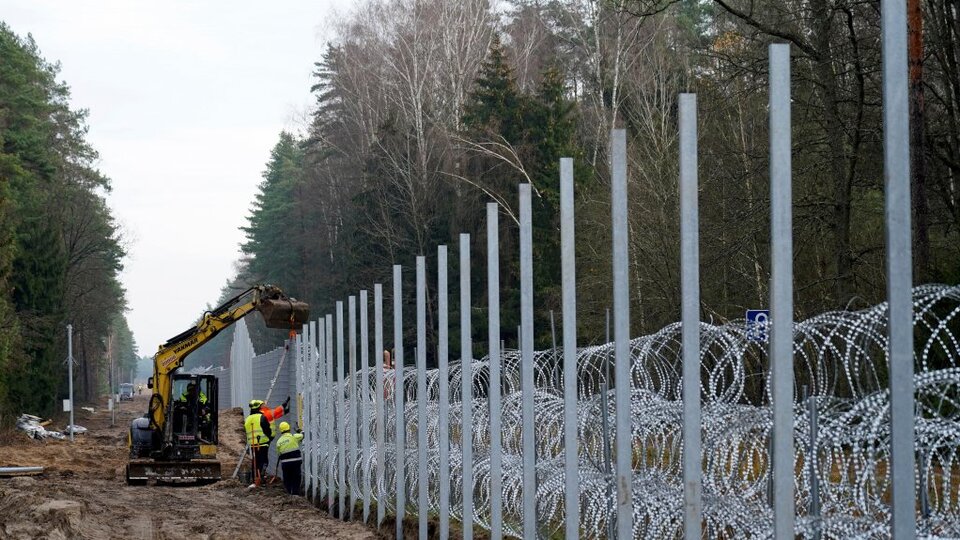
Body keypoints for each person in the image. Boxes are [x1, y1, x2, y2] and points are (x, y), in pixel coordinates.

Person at [243, 399, 273, 487]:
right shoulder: (262, 417)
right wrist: (269, 437)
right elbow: (267, 429)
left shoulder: (247, 419)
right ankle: (262, 477)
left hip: (253, 444)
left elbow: (246, 431)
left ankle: (255, 479)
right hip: (263, 443)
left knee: (255, 462)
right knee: (264, 461)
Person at [275, 421, 304, 495]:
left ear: (281, 431)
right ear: (289, 429)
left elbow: (278, 453)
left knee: (287, 478)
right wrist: (299, 430)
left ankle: (288, 492)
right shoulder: (294, 437)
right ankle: (295, 493)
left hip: (285, 463)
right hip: (296, 462)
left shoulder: (279, 442)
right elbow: (303, 435)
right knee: (296, 478)